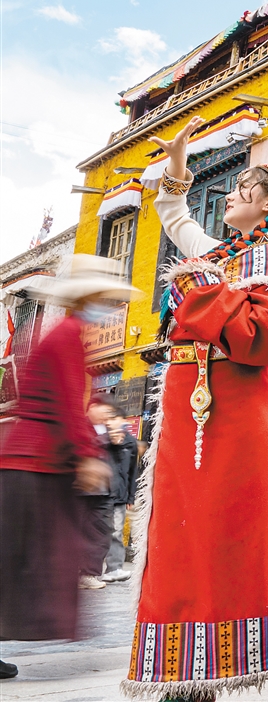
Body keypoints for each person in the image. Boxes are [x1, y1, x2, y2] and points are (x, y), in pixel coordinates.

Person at [123, 117, 268, 702]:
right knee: (187, 529)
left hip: (242, 409)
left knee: (259, 530)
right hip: (187, 409)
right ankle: (192, 669)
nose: (229, 195)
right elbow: (174, 216)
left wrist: (200, 292)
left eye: (243, 189)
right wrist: (178, 166)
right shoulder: (217, 255)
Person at [0, 255, 133, 646]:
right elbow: (69, 404)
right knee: (22, 559)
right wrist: (88, 455)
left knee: (17, 560)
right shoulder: (68, 335)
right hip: (33, 462)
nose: (108, 307)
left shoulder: (63, 333)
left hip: (31, 459)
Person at [80, 394, 118, 589]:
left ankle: (89, 574)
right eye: (106, 410)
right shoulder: (80, 425)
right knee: (76, 533)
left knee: (101, 534)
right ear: (93, 406)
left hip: (104, 492)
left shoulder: (111, 430)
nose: (107, 416)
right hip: (81, 490)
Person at [102, 407, 139, 582]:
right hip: (101, 494)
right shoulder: (102, 439)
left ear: (123, 420)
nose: (110, 422)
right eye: (108, 419)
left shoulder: (130, 442)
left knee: (116, 533)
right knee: (98, 532)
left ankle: (114, 568)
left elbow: (133, 471)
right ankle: (91, 569)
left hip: (120, 496)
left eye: (114, 418)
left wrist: (131, 496)